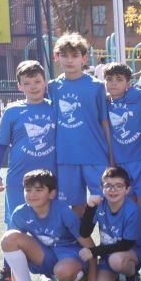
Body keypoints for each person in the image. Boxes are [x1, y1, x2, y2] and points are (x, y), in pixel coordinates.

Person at [0, 60, 57, 281]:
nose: (33, 86)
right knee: (14, 224)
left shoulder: (55, 108)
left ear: (45, 82)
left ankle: (49, 271)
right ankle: (8, 271)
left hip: (50, 180)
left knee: (49, 223)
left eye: (37, 81)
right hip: (18, 180)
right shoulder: (12, 111)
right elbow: (1, 145)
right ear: (19, 86)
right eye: (27, 83)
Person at [0, 169, 89, 281]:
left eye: (38, 190)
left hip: (70, 256)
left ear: (51, 193)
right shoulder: (20, 213)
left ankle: (81, 276)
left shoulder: (63, 211)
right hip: (46, 255)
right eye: (28, 190)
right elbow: (13, 246)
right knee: (9, 238)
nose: (32, 194)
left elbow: (89, 246)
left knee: (62, 272)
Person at [48, 32, 111, 217]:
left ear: (84, 58)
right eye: (65, 55)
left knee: (104, 203)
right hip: (66, 157)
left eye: (75, 55)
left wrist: (111, 156)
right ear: (57, 57)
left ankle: (107, 237)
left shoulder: (96, 86)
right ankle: (80, 237)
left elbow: (104, 122)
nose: (69, 60)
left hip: (95, 155)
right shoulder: (52, 87)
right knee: (76, 207)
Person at [75, 166, 141, 281]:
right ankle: (117, 275)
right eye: (108, 186)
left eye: (119, 186)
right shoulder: (99, 205)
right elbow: (84, 232)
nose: (113, 190)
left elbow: (126, 244)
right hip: (107, 254)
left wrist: (93, 252)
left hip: (129, 254)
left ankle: (131, 276)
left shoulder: (133, 210)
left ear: (127, 190)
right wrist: (90, 208)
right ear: (101, 188)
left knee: (116, 260)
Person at [103, 62, 141, 213]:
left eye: (119, 79)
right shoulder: (104, 102)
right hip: (119, 164)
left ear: (128, 83)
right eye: (109, 79)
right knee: (129, 212)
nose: (113, 83)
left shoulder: (138, 96)